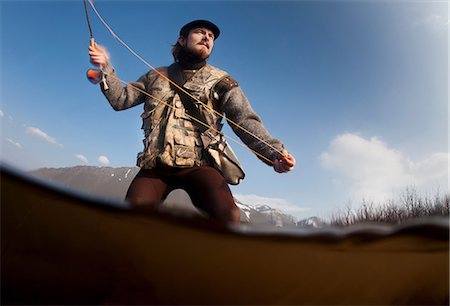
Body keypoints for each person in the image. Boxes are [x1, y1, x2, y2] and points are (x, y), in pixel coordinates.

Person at [88, 20, 296, 224]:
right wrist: (105, 66)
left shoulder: (222, 81)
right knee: (131, 215)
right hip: (156, 166)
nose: (207, 37)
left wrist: (274, 153)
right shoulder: (155, 76)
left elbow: (244, 120)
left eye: (211, 36)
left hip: (201, 165)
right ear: (181, 39)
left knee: (229, 217)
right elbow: (120, 99)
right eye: (200, 32)